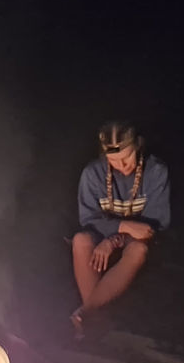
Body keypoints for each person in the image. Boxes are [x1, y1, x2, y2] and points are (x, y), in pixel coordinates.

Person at [71, 122, 170, 339]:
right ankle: (94, 316)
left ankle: (87, 312)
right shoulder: (93, 174)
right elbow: (88, 218)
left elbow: (150, 229)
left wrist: (113, 240)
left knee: (138, 251)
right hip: (107, 234)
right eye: (113, 161)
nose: (121, 165)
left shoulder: (155, 172)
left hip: (134, 242)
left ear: (138, 147)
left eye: (127, 158)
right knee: (80, 240)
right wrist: (123, 226)